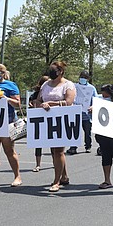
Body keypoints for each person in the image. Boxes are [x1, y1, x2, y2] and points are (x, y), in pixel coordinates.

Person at [32, 61, 75, 192]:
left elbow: (69, 102)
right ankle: (64, 176)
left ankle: (56, 181)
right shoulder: (46, 84)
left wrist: (52, 103)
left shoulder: (68, 85)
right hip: (47, 119)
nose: (51, 72)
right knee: (53, 150)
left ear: (61, 71)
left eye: (54, 70)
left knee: (59, 150)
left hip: (62, 119)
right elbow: (39, 99)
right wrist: (39, 104)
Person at [67, 70, 97, 154]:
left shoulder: (91, 88)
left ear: (87, 78)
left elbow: (96, 99)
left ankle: (88, 146)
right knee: (75, 130)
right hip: (75, 112)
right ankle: (73, 147)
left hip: (86, 113)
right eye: (81, 77)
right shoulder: (74, 86)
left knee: (87, 131)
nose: (82, 79)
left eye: (84, 77)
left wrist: (92, 106)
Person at [29, 75, 50, 172]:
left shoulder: (50, 93)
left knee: (53, 142)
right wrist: (32, 104)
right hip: (38, 119)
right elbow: (31, 102)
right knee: (38, 143)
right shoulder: (36, 94)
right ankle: (38, 164)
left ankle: (56, 162)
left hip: (49, 119)